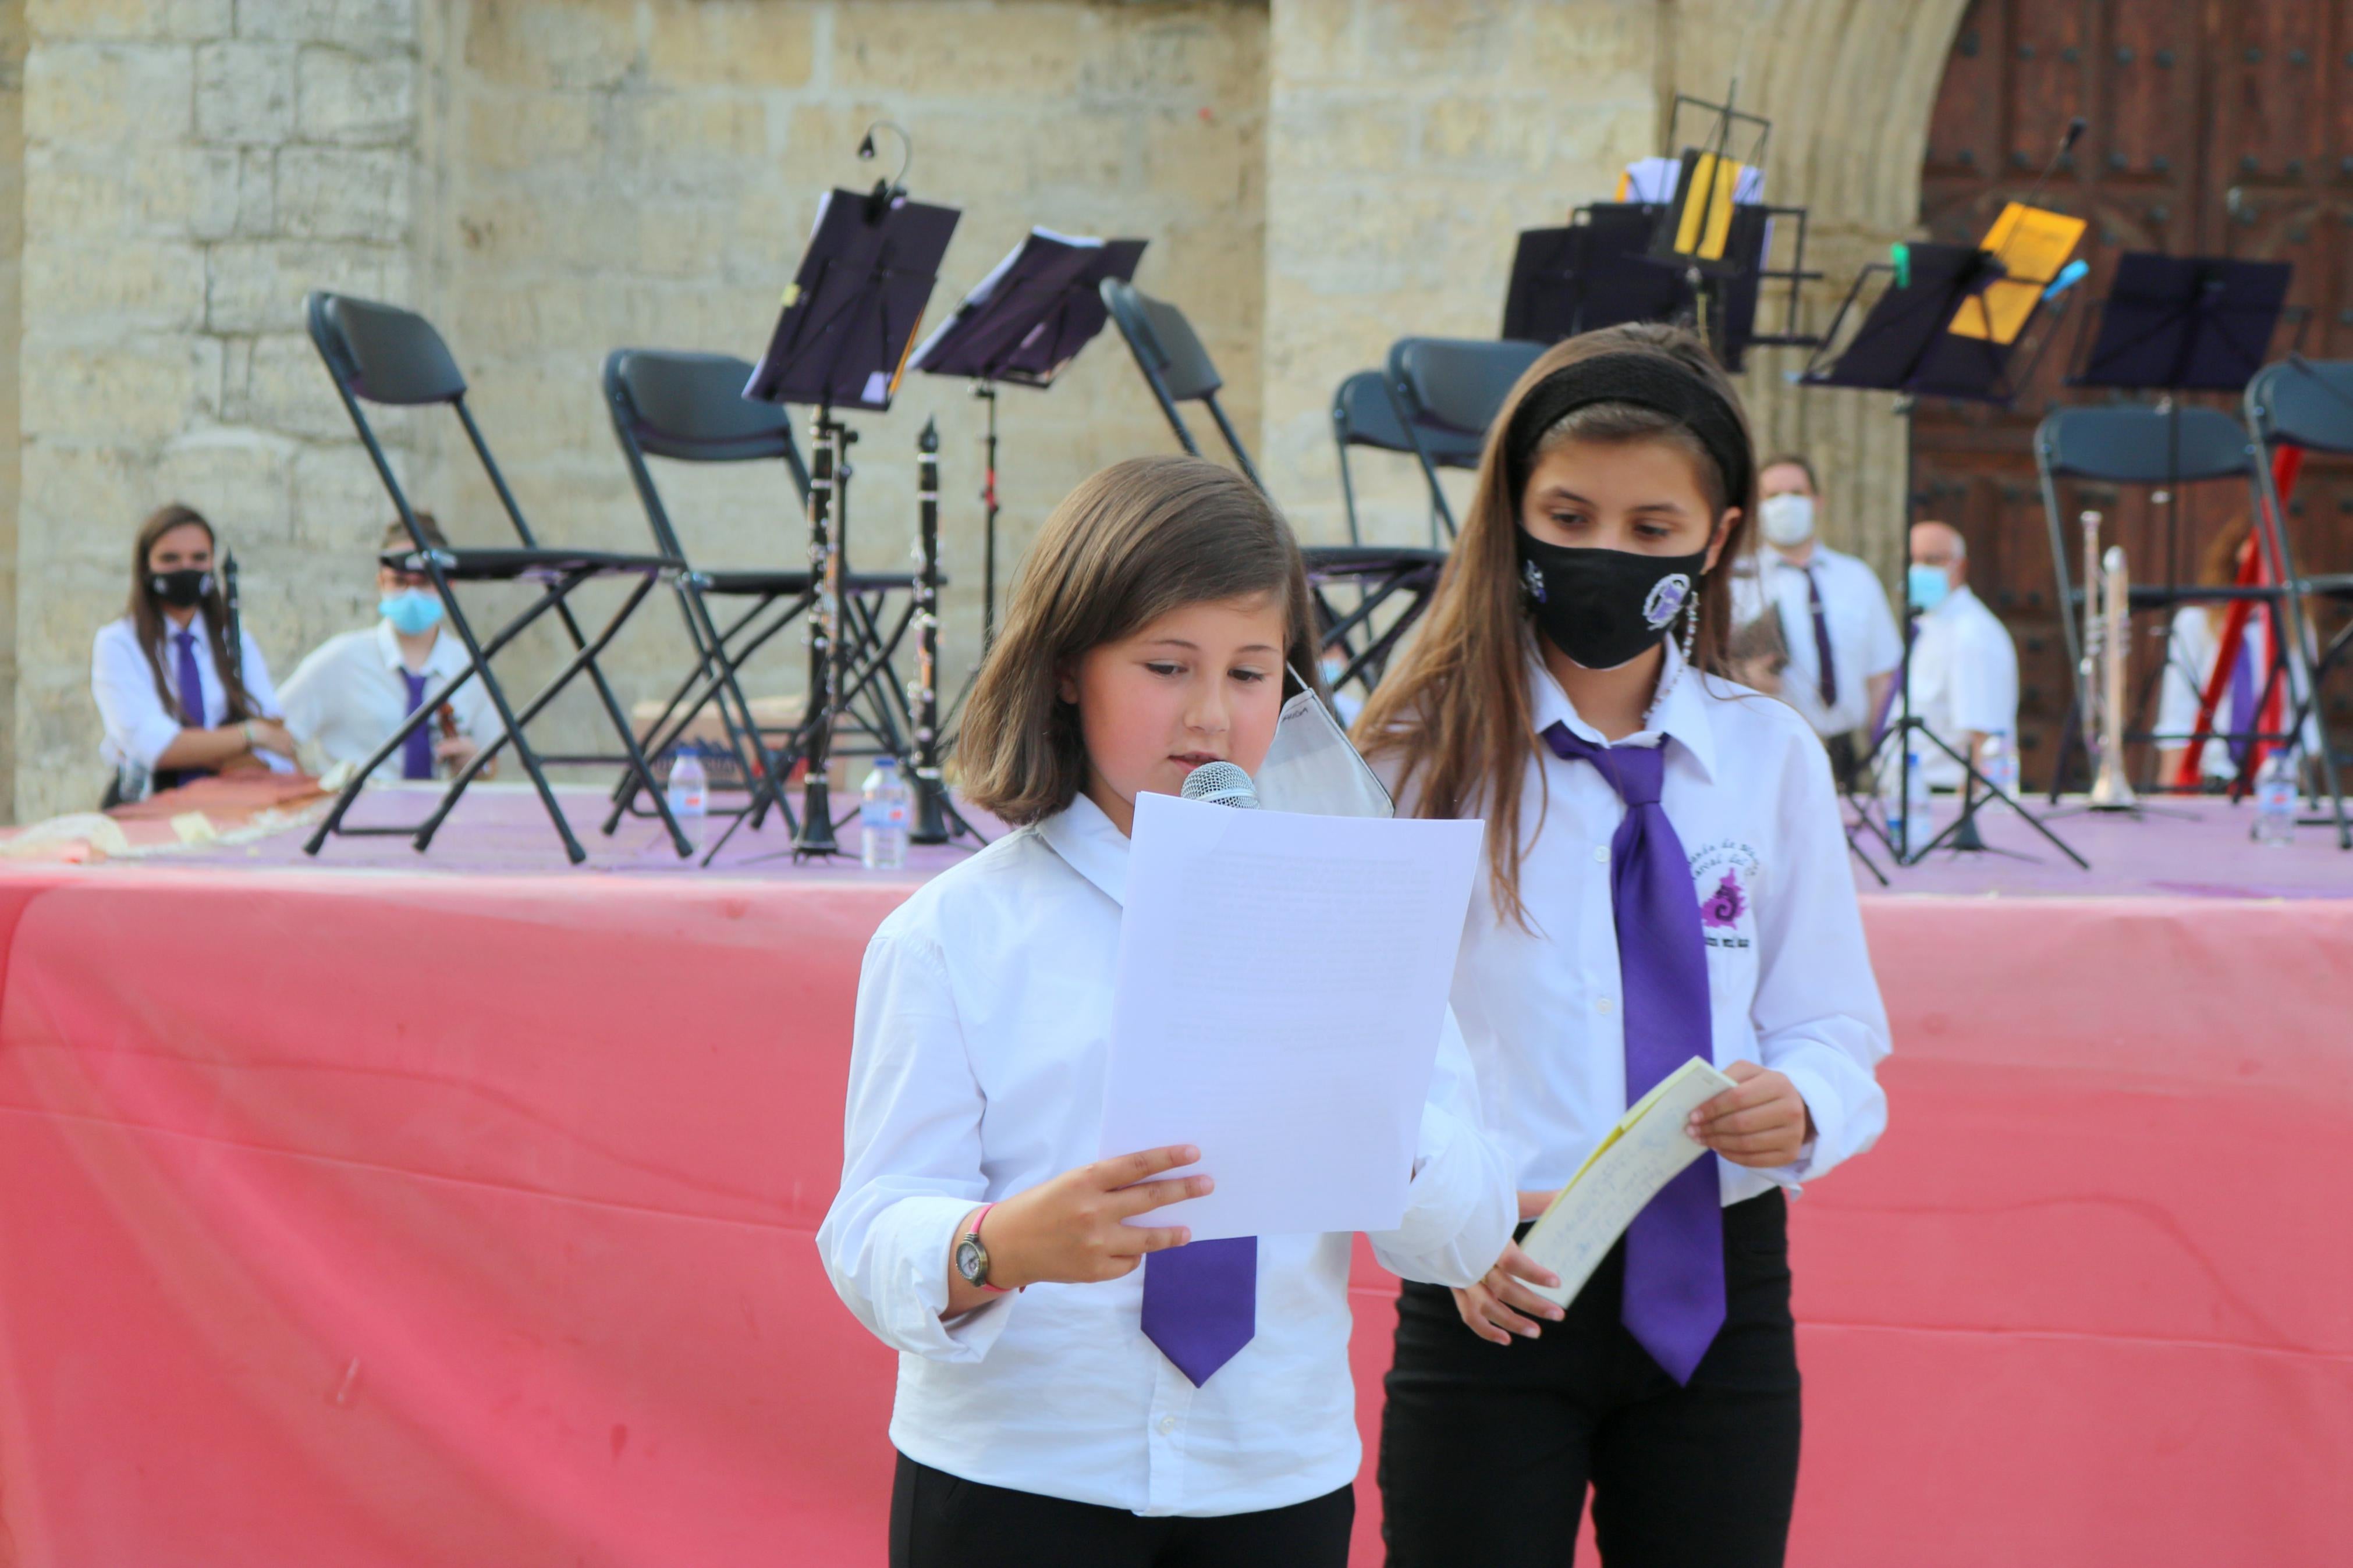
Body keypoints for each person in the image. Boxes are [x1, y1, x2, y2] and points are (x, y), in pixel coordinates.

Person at [818, 456, 1512, 1568]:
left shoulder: (1351, 916)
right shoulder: (954, 935)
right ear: (1064, 670)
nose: (1209, 716)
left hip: (1268, 1483)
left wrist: (1371, 1095)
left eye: (1250, 673)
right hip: (1017, 1482)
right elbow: (868, 1231)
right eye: (1164, 665)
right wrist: (1001, 1245)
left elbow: (1462, 1233)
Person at [1356, 323, 1891, 1567]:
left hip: (1717, 1292)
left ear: (1714, 541)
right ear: (1510, 517)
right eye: (1568, 515)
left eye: (1651, 530)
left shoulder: (1767, 758)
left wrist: (1801, 1104)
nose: (1605, 553)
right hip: (1493, 1285)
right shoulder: (1410, 760)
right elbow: (1361, 1052)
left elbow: (1831, 1024)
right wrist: (1444, 1232)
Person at [92, 502, 293, 802]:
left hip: (228, 801)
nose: (186, 568)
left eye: (199, 558)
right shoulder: (119, 643)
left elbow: (278, 739)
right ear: (146, 566)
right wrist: (248, 735)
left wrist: (206, 751)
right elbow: (154, 747)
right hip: (148, 801)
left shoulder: (235, 641)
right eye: (170, 558)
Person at [279, 514, 499, 783]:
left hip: (440, 818)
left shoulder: (471, 665)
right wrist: (310, 793)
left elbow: (491, 763)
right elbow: (277, 735)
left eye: (424, 582)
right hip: (355, 818)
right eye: (399, 582)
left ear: (448, 585)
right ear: (381, 583)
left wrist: (476, 767)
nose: (411, 594)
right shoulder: (341, 659)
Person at [1730, 453, 1903, 790]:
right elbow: (1704, 668)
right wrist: (1742, 675)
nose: (1786, 504)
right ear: (1758, 507)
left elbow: (1881, 677)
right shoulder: (1738, 582)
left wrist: (1885, 759)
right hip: (1766, 748)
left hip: (1843, 752)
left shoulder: (1857, 578)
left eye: (1797, 493)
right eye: (1773, 496)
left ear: (1817, 501)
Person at [1903, 520, 2018, 790]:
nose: (1919, 570)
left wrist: (1966, 825)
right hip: (1910, 796)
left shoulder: (1972, 634)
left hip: (1945, 801)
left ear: (1960, 567)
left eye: (1932, 560)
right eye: (1911, 560)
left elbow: (1983, 742)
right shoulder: (1928, 623)